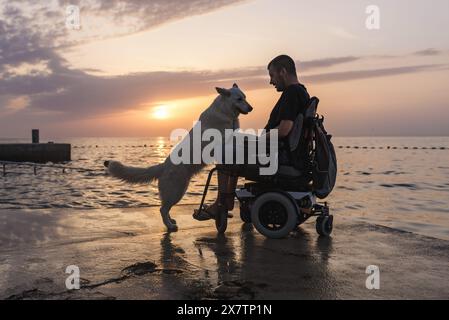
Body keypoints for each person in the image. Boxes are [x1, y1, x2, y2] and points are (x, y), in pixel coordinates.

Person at [193, 54, 310, 221]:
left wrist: (258, 140)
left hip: (275, 156)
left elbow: (284, 130)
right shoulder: (302, 92)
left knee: (222, 151)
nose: (271, 81)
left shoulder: (292, 94)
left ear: (283, 72)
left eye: (272, 75)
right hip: (283, 153)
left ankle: (220, 204)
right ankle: (226, 202)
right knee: (233, 146)